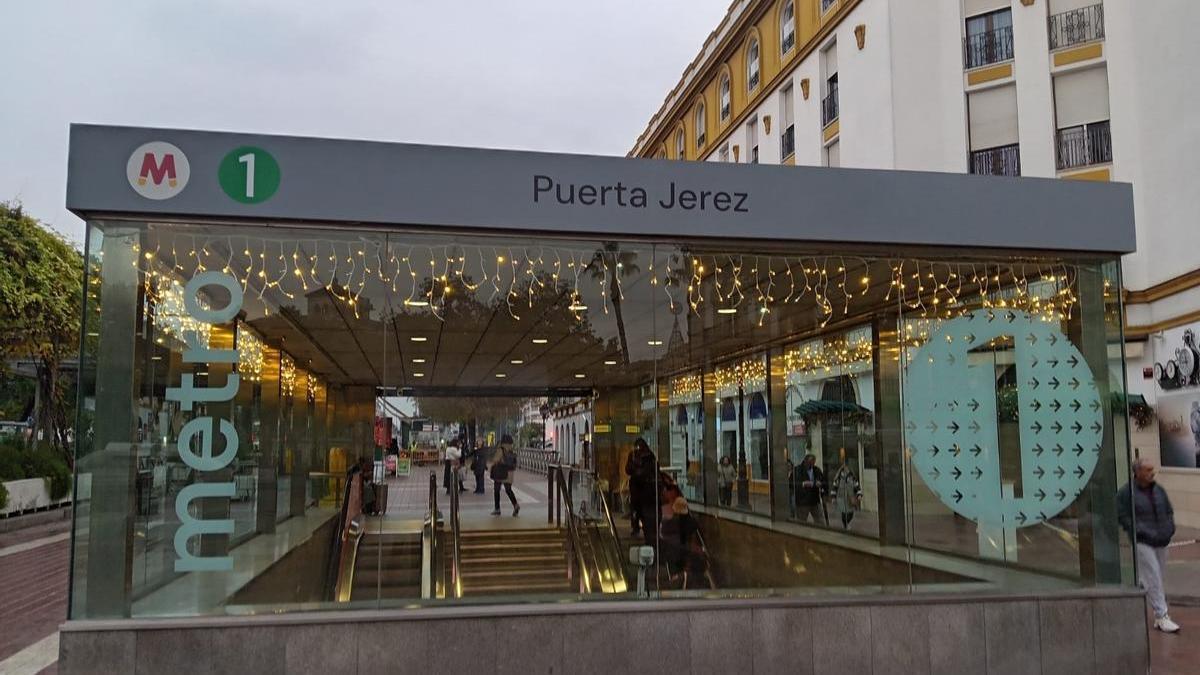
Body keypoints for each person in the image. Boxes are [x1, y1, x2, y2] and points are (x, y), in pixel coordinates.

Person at [1117, 458, 1180, 633]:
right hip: (1143, 540)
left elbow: (1168, 510)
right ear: (1137, 473)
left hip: (1161, 539)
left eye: (1152, 469)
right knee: (1153, 575)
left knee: (1156, 576)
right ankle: (1161, 615)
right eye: (1148, 469)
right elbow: (1122, 515)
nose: (1152, 472)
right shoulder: (1126, 493)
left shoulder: (1158, 490)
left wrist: (1169, 528)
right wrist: (1136, 530)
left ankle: (1141, 592)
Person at [625, 438, 658, 540]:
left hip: (644, 488)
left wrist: (638, 471)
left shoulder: (646, 456)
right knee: (638, 509)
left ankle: (640, 528)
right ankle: (638, 528)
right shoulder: (640, 455)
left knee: (639, 509)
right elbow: (628, 469)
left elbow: (653, 470)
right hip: (640, 488)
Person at [829, 449, 862, 530]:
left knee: (851, 512)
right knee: (844, 512)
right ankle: (845, 525)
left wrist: (859, 494)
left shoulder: (852, 476)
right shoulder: (839, 476)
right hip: (841, 497)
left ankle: (847, 523)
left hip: (850, 497)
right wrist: (833, 497)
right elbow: (835, 486)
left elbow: (856, 485)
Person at [489, 434, 520, 516]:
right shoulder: (511, 451)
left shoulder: (501, 450)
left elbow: (496, 460)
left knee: (496, 490)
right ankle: (515, 505)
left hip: (500, 472)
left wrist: (492, 465)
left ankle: (497, 508)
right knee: (508, 490)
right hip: (509, 473)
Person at [791, 454, 826, 525]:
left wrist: (819, 482)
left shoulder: (816, 470)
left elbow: (822, 480)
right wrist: (803, 484)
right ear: (805, 461)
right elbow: (791, 483)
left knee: (820, 520)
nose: (812, 464)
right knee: (802, 521)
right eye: (810, 462)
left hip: (814, 499)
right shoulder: (797, 470)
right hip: (803, 500)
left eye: (813, 462)